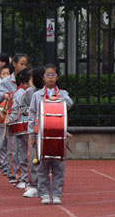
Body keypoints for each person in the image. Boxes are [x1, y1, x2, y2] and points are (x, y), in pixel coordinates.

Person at [28, 65, 73, 205]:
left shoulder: (63, 93)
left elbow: (70, 104)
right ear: (43, 78)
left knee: (59, 166)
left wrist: (59, 101)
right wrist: (33, 136)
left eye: (53, 74)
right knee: (42, 167)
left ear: (57, 77)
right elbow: (31, 116)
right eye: (48, 75)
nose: (50, 77)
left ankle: (57, 194)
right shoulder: (37, 95)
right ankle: (45, 194)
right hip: (42, 135)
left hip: (58, 134)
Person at [0, 53, 29, 181]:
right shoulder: (7, 81)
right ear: (14, 64)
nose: (24, 66)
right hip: (12, 116)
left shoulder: (29, 79)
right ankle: (12, 172)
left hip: (25, 116)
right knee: (12, 147)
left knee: (25, 149)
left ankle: (24, 174)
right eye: (21, 64)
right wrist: (5, 95)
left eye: (25, 64)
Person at [7, 67, 33, 190]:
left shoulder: (38, 93)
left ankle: (31, 179)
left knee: (32, 156)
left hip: (34, 128)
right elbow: (16, 110)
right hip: (23, 127)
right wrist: (11, 119)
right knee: (22, 154)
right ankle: (23, 177)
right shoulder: (20, 93)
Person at [22, 67, 44, 199]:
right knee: (34, 157)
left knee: (53, 158)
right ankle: (34, 185)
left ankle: (50, 185)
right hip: (36, 129)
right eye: (45, 75)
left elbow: (68, 104)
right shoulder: (31, 92)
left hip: (51, 128)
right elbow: (23, 107)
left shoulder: (58, 92)